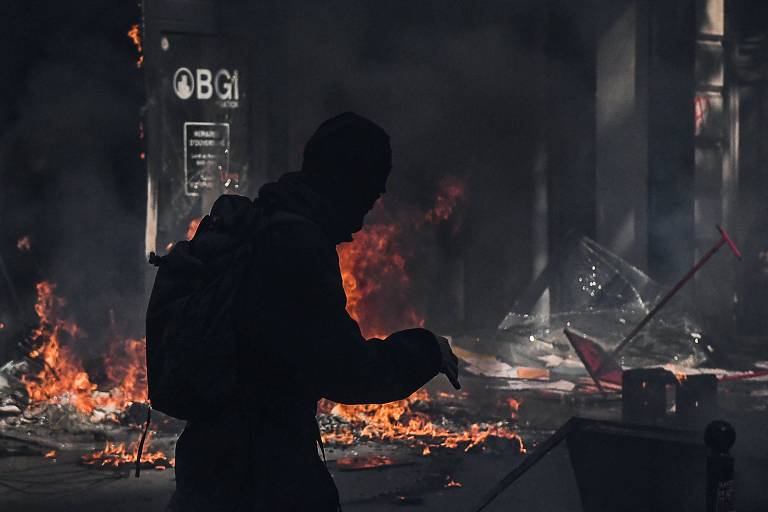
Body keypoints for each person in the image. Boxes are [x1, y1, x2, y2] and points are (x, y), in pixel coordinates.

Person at [167, 112, 460, 511]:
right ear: (347, 180)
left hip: (216, 463)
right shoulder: (295, 245)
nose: (372, 205)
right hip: (258, 475)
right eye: (371, 191)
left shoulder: (265, 223)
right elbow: (348, 371)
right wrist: (428, 350)